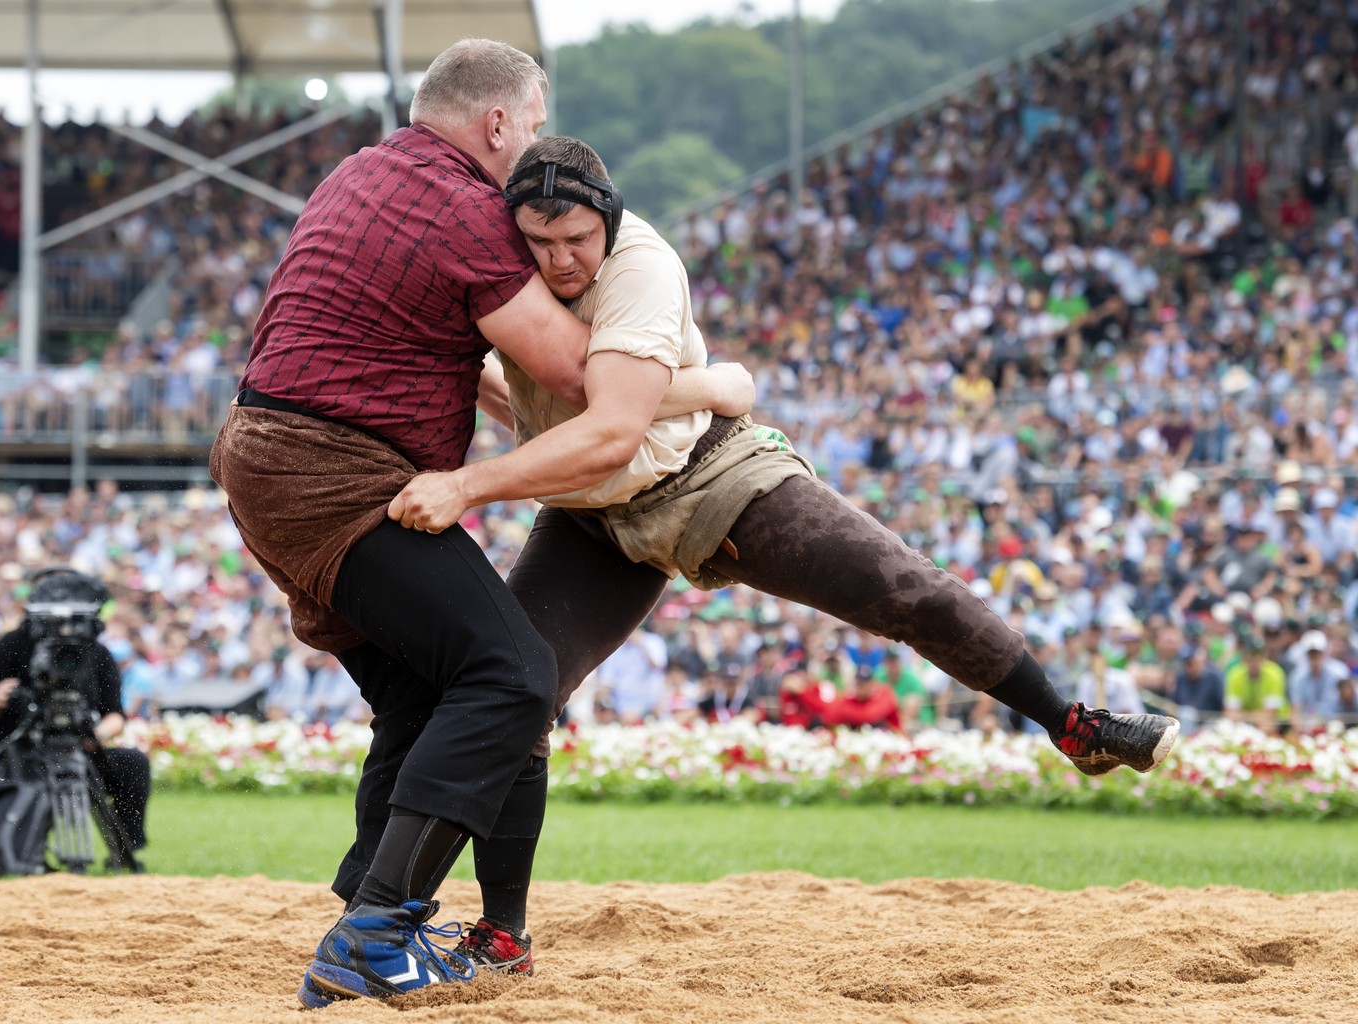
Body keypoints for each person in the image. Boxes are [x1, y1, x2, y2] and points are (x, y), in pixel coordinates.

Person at [385, 136, 1182, 972]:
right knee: (520, 692)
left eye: (576, 239)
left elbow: (612, 420)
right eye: (539, 243)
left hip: (710, 476)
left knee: (902, 589)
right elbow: (552, 382)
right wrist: (692, 382)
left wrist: (469, 485)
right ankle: (503, 933)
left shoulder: (642, 267)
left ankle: (1071, 722)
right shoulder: (503, 263)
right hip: (594, 517)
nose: (558, 260)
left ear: (610, 222)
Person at [207, 40, 749, 1006]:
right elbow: (584, 377)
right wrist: (717, 383)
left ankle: (363, 918)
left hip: (263, 454)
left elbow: (482, 372)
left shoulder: (360, 173)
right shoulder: (464, 206)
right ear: (498, 123)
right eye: (532, 127)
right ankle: (376, 929)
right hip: (335, 472)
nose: (531, 148)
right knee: (512, 675)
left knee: (426, 693)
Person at [0, 568, 151, 863]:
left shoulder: (96, 651)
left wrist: (96, 737)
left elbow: (115, 715)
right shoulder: (10, 646)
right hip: (17, 755)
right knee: (35, 783)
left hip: (79, 752)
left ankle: (125, 851)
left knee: (132, 765)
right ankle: (26, 856)